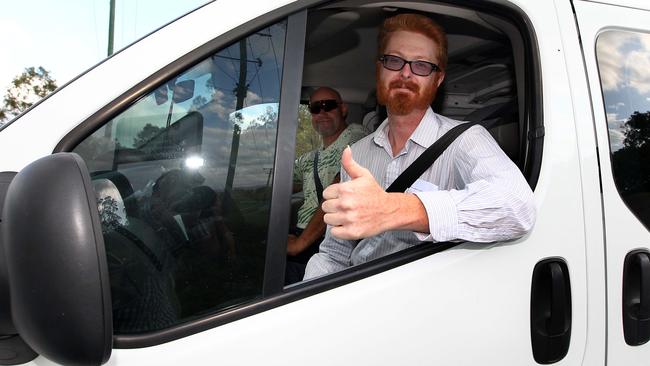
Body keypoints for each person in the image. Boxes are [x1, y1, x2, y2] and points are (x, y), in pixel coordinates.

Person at [304, 14, 536, 279]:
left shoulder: (465, 139)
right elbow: (334, 254)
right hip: (358, 293)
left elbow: (518, 206)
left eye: (422, 65)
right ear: (379, 69)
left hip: (423, 301)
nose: (405, 73)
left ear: (437, 79)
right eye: (394, 60)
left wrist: (394, 209)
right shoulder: (356, 155)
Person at [286, 87, 368, 284]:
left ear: (343, 109)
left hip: (328, 238)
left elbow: (342, 186)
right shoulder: (310, 158)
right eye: (315, 108)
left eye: (328, 106)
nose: (321, 113)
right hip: (304, 232)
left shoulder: (357, 136)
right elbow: (287, 184)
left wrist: (300, 243)